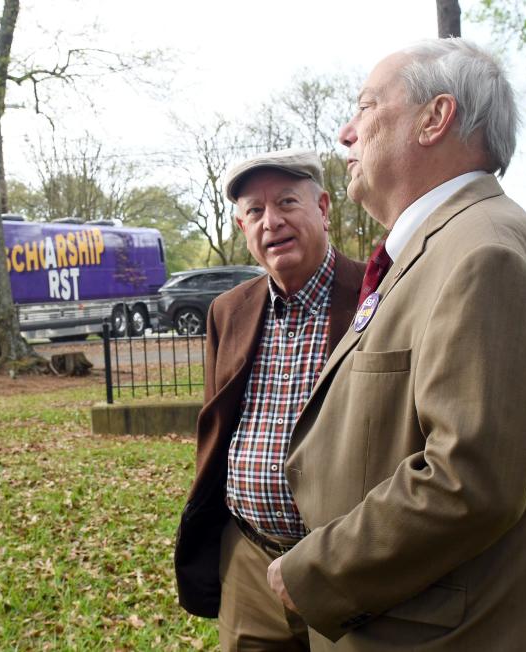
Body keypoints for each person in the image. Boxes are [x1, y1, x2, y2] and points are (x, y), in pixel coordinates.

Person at [265, 39, 526, 651]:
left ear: (434, 118)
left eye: (366, 107)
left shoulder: (483, 252)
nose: (346, 132)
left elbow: (468, 481)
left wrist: (313, 570)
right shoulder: (451, 243)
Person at [174, 149, 365, 650]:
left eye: (286, 202)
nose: (271, 222)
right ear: (242, 228)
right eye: (254, 212)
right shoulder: (227, 311)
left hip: (346, 565)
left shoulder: (378, 295)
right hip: (249, 565)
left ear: (323, 208)